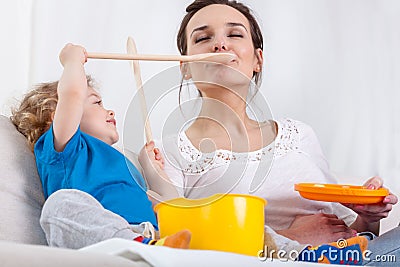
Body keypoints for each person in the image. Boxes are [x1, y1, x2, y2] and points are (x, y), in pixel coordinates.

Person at [139, 0, 399, 265]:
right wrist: (290, 237)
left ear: (257, 60)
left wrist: (368, 216)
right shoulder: (164, 153)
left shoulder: (300, 135)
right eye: (203, 38)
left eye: (235, 34)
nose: (220, 45)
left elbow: (353, 235)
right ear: (185, 67)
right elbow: (183, 246)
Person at [10, 43, 191, 249]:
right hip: (101, 241)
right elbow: (72, 95)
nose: (111, 111)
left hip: (151, 236)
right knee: (59, 205)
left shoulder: (124, 162)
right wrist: (72, 62)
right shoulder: (65, 150)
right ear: (56, 116)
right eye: (97, 103)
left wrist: (153, 171)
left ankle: (152, 248)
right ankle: (137, 247)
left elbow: (163, 207)